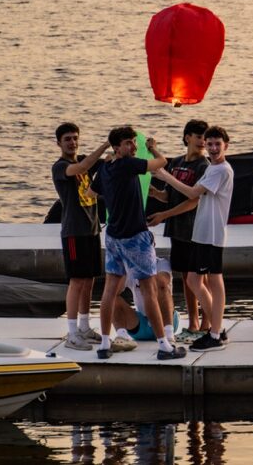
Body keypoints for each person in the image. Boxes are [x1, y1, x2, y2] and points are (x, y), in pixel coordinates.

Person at [89, 126, 186, 361]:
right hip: (135, 236)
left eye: (134, 142)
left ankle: (104, 344)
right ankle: (164, 346)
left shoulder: (106, 167)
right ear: (116, 147)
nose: (133, 147)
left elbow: (92, 194)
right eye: (128, 143)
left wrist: (116, 195)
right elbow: (161, 162)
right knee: (149, 289)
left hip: (113, 236)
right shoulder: (128, 165)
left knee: (110, 290)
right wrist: (153, 149)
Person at [155, 125, 234, 353]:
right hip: (201, 234)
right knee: (193, 281)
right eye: (210, 144)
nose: (213, 147)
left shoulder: (221, 170)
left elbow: (191, 193)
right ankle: (217, 330)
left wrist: (165, 176)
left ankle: (215, 333)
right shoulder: (213, 168)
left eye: (217, 144)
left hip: (211, 234)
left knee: (212, 281)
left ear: (226, 146)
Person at [147, 119, 209, 339]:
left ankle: (207, 324)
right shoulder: (177, 163)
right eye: (199, 136)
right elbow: (168, 195)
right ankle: (192, 322)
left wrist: (164, 216)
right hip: (178, 230)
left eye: (205, 137)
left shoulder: (204, 166)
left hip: (196, 229)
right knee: (185, 277)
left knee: (200, 277)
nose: (203, 141)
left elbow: (194, 201)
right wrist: (154, 193)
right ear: (187, 138)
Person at [52, 123, 110, 351]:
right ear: (59, 143)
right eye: (67, 139)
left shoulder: (85, 161)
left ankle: (85, 326)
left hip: (92, 230)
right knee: (76, 281)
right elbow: (85, 166)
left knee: (89, 280)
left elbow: (102, 164)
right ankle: (73, 332)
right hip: (73, 232)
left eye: (75, 138)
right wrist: (106, 144)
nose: (72, 143)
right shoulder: (60, 167)